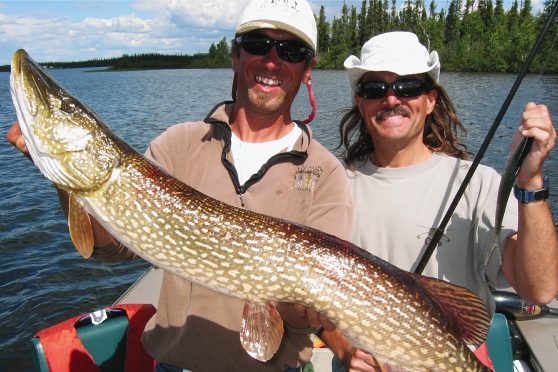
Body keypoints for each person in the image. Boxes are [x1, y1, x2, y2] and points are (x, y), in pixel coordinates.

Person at [7, 0, 353, 370]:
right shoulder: (180, 144)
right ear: (235, 56)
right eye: (256, 44)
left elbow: (306, 318)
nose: (271, 60)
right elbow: (111, 250)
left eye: (291, 50)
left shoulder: (325, 173)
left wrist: (292, 301)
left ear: (307, 69)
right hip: (176, 362)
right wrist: (64, 178)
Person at [336, 31, 558, 371]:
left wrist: (529, 182)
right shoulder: (331, 186)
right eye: (375, 89)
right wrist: (342, 347)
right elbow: (307, 297)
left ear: (430, 100)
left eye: (408, 87)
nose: (391, 99)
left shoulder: (479, 184)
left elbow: (539, 289)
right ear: (359, 100)